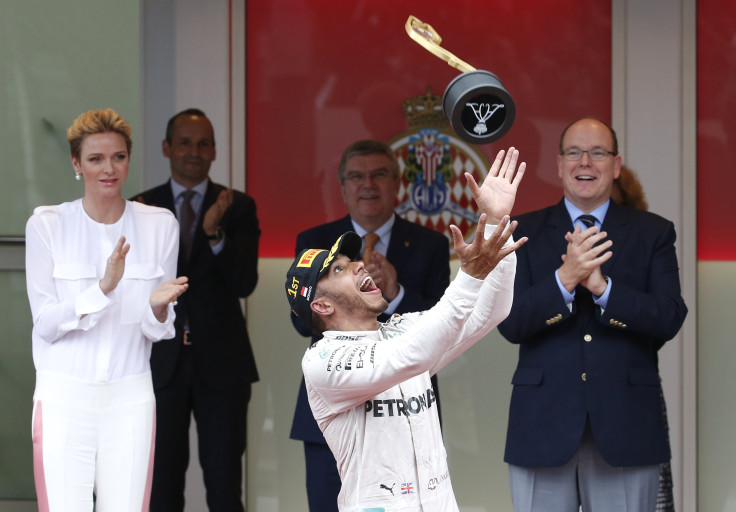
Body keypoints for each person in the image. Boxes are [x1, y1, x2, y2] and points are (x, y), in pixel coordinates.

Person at [285, 147, 527, 511]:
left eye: (351, 261)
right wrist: (471, 275)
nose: (356, 267)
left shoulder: (401, 328)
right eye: (338, 270)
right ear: (321, 306)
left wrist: (495, 221)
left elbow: (488, 311)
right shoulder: (323, 360)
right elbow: (413, 354)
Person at [497, 117, 688, 512]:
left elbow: (669, 316)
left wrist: (604, 290)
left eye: (597, 152)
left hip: (626, 424)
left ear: (615, 165)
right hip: (542, 425)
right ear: (559, 164)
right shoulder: (523, 232)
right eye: (574, 152)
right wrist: (565, 279)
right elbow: (511, 323)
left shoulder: (653, 232)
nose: (585, 161)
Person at [25, 108, 188, 511]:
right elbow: (46, 324)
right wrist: (102, 289)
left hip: (130, 394)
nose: (108, 168)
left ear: (128, 159)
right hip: (63, 395)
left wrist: (158, 308)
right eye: (95, 158)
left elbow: (158, 329)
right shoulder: (47, 225)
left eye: (118, 156)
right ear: (76, 163)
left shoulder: (159, 224)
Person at [289, 139, 451, 511]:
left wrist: (395, 294)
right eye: (357, 176)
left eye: (379, 175)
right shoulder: (313, 242)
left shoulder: (430, 244)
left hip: (407, 411)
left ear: (397, 183)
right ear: (343, 187)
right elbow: (303, 324)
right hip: (333, 417)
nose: (368, 184)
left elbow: (443, 323)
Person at [133, 108, 260, 511]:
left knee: (224, 487)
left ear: (215, 151)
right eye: (185, 142)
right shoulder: (140, 207)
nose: (194, 151)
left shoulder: (237, 206)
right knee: (160, 487)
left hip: (221, 364)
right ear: (167, 148)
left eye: (203, 143)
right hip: (159, 364)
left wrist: (214, 232)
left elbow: (245, 284)